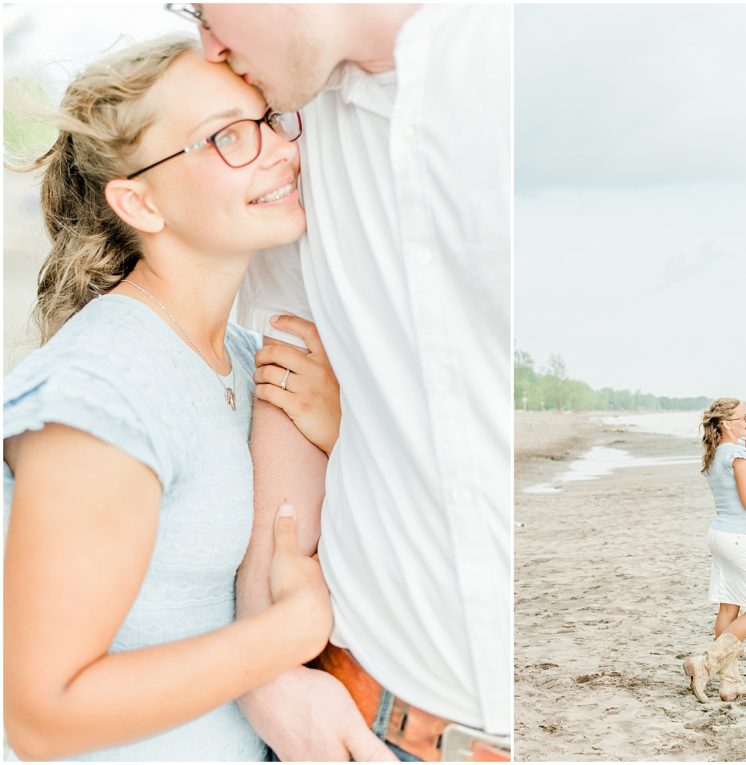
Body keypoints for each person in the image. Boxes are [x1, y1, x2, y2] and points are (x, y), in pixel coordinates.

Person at [188, 5, 512, 760]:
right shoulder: (285, 141)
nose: (207, 42)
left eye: (203, 7)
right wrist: (264, 676)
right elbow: (287, 384)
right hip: (365, 723)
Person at [2, 35, 340, 760]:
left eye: (270, 120)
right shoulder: (105, 388)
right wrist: (285, 636)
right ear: (140, 202)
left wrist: (340, 432)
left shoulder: (252, 362)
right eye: (225, 137)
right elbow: (42, 715)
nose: (279, 152)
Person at [684, 398, 746, 703]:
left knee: (729, 607)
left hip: (721, 536)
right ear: (726, 423)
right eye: (743, 418)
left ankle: (730, 683)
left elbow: (745, 495)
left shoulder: (716, 454)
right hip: (741, 540)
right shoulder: (738, 455)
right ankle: (706, 662)